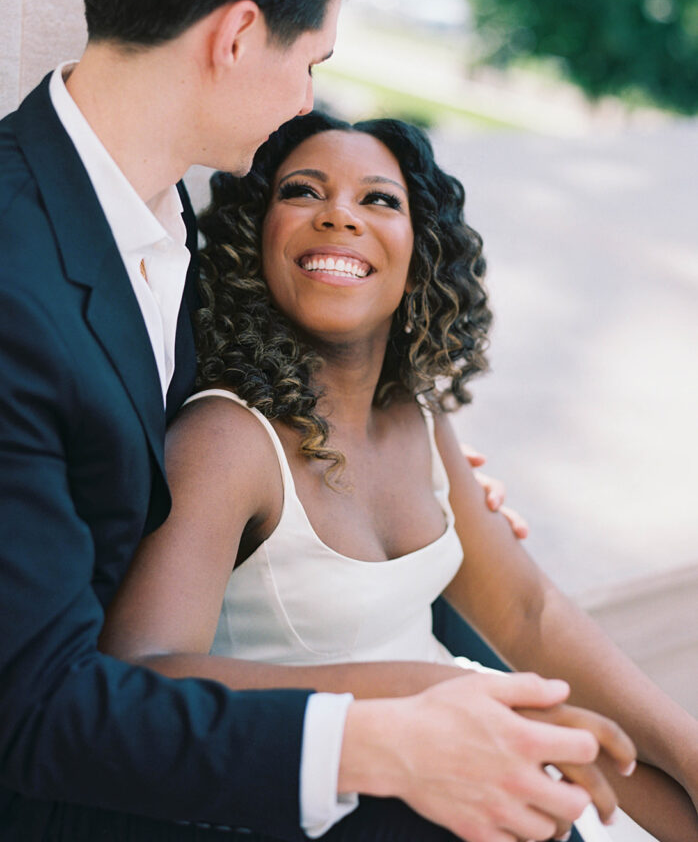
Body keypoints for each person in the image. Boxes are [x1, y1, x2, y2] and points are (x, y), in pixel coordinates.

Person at [0, 0, 635, 842]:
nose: (308, 99)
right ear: (236, 35)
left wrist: (377, 473)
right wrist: (378, 738)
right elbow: (41, 716)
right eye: (310, 61)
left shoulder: (152, 208)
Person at [100, 111, 698, 842]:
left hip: (477, 728)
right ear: (255, 241)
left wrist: (687, 750)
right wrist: (418, 691)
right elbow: (140, 680)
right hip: (348, 794)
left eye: (378, 199)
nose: (338, 216)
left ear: (420, 255)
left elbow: (527, 611)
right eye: (302, 192)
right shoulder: (227, 440)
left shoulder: (415, 415)